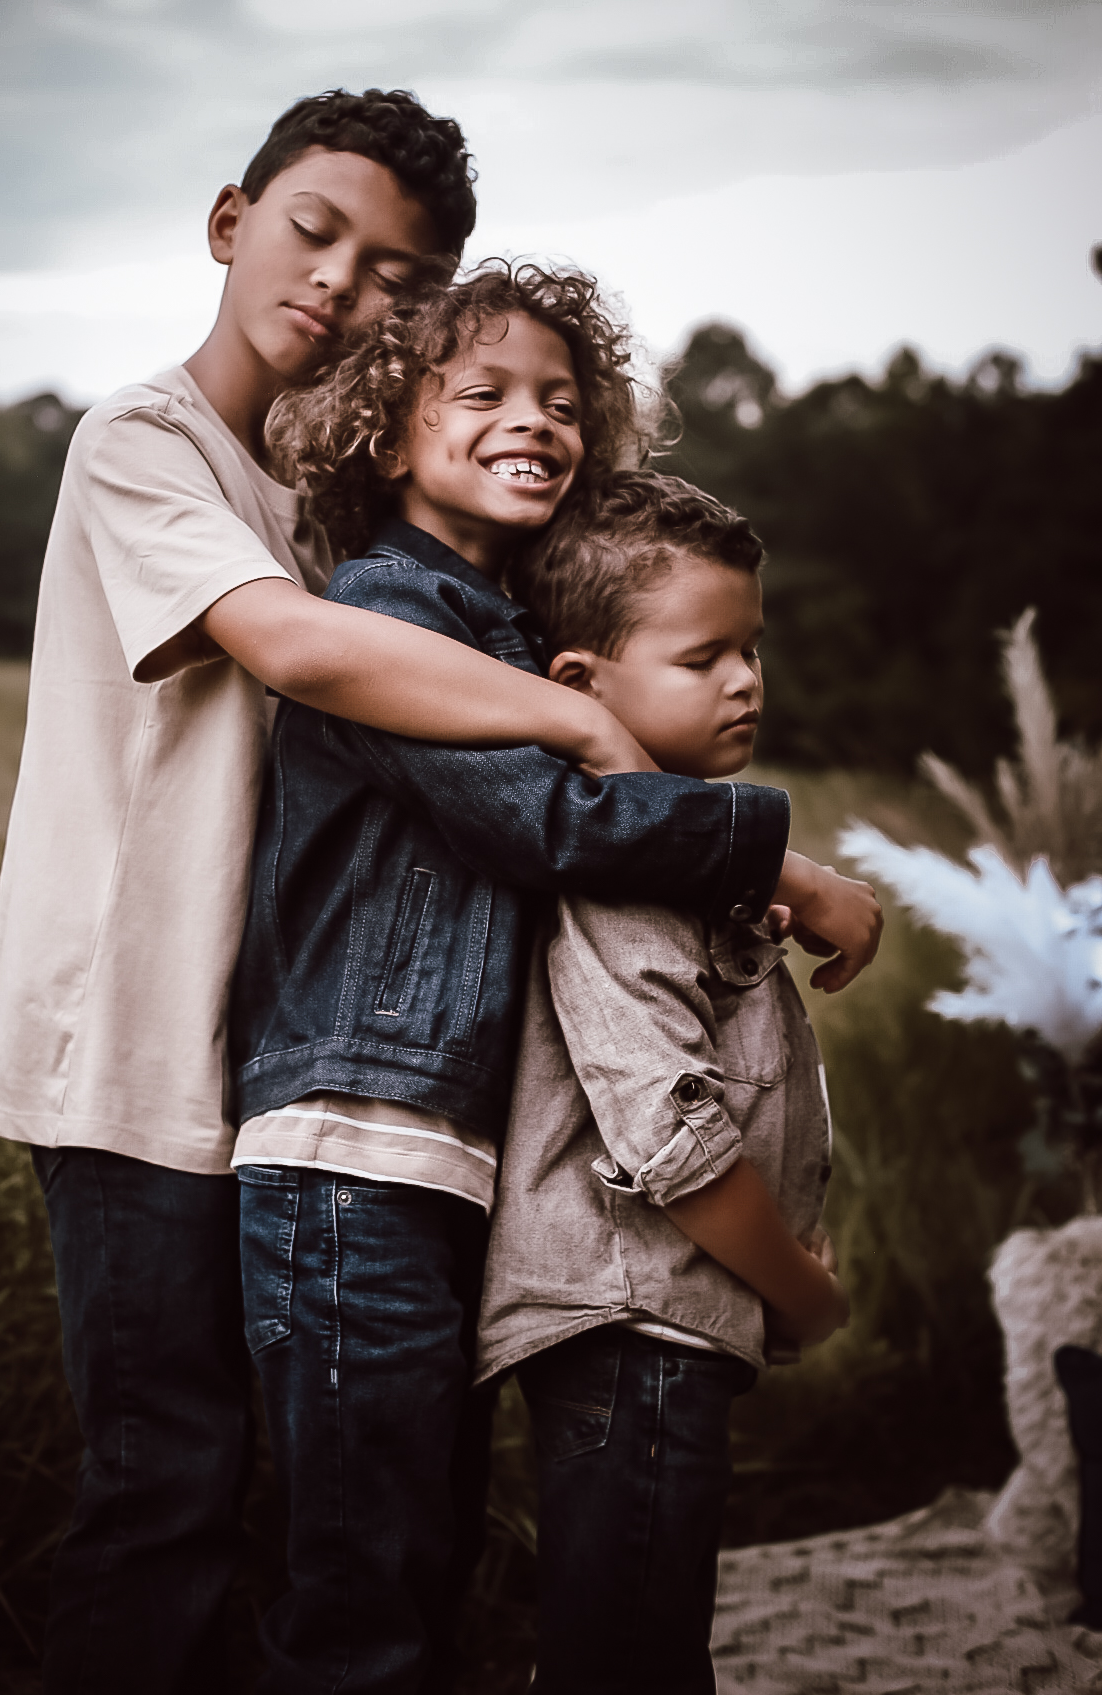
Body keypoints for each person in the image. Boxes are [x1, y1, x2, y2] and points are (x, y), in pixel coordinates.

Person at [0, 90, 669, 1695]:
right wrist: (577, 716)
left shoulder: (340, 501)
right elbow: (284, 644)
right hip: (130, 1055)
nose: (345, 287)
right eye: (315, 233)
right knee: (167, 1488)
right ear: (232, 222)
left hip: (284, 1057)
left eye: (397, 275)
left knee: (329, 1505)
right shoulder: (146, 442)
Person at [229, 267, 879, 1692]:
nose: (536, 421)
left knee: (425, 1558)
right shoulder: (393, 609)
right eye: (486, 394)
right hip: (357, 1141)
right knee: (366, 1590)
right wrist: (784, 862)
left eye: (564, 401)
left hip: (435, 1153)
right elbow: (546, 827)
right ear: (388, 437)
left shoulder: (508, 630)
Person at [477, 469, 853, 1695]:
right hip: (625, 1325)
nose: (746, 679)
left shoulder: (685, 855)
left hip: (661, 1328)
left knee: (641, 1632)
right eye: (704, 658)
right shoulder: (622, 877)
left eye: (752, 648)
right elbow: (673, 1141)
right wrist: (798, 1292)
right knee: (629, 1652)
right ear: (581, 685)